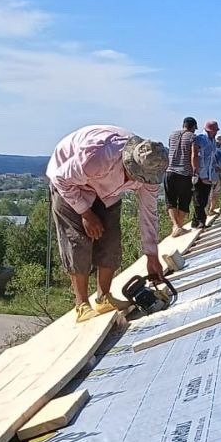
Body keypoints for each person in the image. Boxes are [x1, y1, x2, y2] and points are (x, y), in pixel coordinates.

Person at [46, 126, 167, 323]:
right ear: (129, 162)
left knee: (111, 240)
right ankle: (82, 305)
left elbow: (149, 213)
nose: (134, 181)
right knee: (78, 241)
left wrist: (152, 255)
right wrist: (85, 213)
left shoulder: (152, 169)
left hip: (107, 191)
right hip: (70, 186)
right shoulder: (99, 155)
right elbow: (61, 179)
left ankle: (104, 297)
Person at [165, 117, 199, 233]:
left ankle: (176, 226)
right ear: (193, 127)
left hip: (169, 171)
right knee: (184, 201)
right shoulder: (192, 137)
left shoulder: (172, 135)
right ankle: (178, 226)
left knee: (171, 201)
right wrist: (195, 171)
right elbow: (194, 155)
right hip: (185, 173)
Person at [192, 118, 220, 228]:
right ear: (209, 130)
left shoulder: (212, 141)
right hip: (200, 174)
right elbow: (197, 157)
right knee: (200, 199)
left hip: (208, 174)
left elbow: (211, 158)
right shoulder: (200, 139)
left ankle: (196, 221)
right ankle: (201, 221)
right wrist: (199, 174)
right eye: (215, 131)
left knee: (204, 198)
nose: (216, 132)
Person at [209, 133, 221, 215]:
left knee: (212, 194)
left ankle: (209, 210)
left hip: (212, 175)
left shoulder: (211, 150)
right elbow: (220, 165)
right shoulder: (217, 151)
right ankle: (210, 210)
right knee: (214, 194)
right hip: (215, 175)